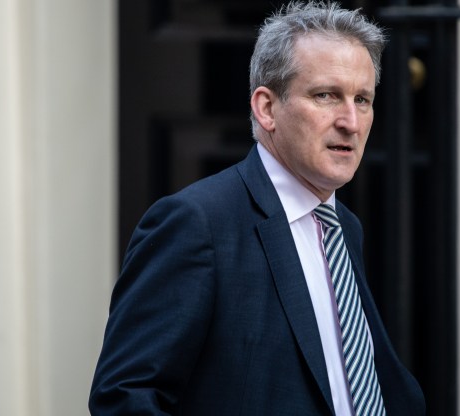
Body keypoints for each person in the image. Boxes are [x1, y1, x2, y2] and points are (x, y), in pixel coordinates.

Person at [89, 1, 425, 415]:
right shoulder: (197, 223)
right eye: (326, 95)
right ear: (267, 108)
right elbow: (124, 397)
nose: (351, 122)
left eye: (362, 99)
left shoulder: (343, 228)